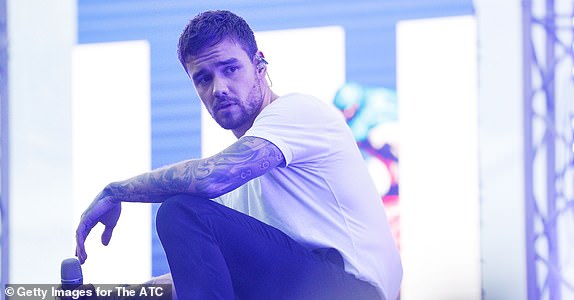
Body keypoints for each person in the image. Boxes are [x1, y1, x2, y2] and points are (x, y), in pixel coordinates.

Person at [75, 10, 402, 300]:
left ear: (260, 64)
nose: (218, 88)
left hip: (349, 291)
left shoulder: (298, 112)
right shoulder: (233, 194)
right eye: (203, 79)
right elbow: (194, 282)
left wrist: (116, 191)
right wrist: (109, 295)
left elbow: (211, 177)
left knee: (180, 212)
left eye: (230, 69)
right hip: (303, 288)